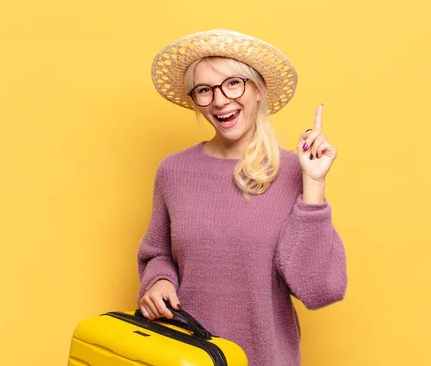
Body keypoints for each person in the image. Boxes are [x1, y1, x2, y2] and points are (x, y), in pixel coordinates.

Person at [136, 29, 347, 366]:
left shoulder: (296, 171)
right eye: (205, 90)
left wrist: (314, 186)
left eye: (233, 83)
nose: (219, 100)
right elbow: (157, 253)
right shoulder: (173, 172)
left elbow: (320, 289)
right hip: (185, 356)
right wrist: (158, 281)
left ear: (258, 89)